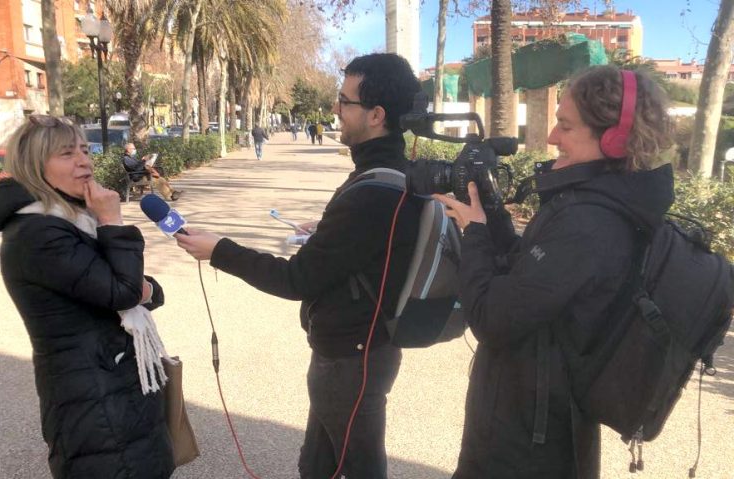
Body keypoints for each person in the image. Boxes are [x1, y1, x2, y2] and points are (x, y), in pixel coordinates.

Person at [175, 53, 423, 479]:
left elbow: (296, 279)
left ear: (377, 114)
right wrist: (329, 231)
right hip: (357, 349)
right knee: (317, 464)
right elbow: (374, 247)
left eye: (345, 101)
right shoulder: (395, 171)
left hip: (351, 359)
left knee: (359, 467)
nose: (335, 110)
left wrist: (219, 250)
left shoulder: (372, 191)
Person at [434, 65, 674, 479]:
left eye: (565, 125)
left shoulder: (590, 223)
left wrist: (473, 234)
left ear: (613, 138)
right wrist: (491, 217)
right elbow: (529, 278)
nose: (551, 138)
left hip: (529, 446)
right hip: (536, 425)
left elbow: (494, 317)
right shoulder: (594, 203)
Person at [0, 115, 175, 478]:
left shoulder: (71, 219)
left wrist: (138, 287)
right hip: (94, 401)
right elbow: (125, 290)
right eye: (67, 154)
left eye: (84, 150)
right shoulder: (39, 234)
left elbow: (142, 289)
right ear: (35, 165)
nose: (84, 160)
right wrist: (112, 223)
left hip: (115, 387)